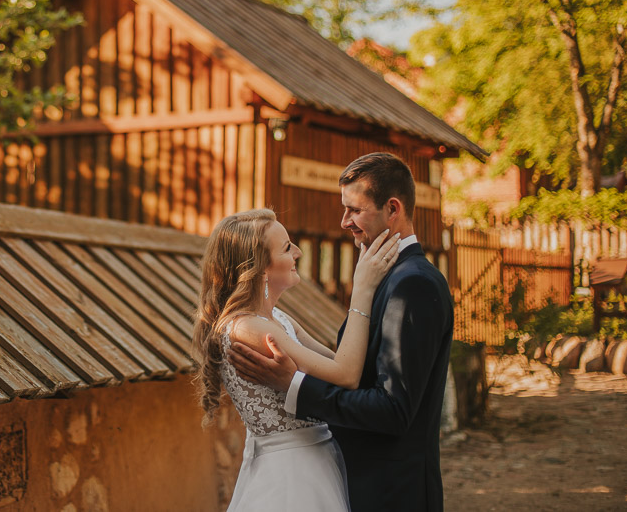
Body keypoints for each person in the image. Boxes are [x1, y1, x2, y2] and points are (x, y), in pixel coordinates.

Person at [228, 153, 454, 512]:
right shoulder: (384, 277)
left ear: (392, 209)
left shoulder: (413, 285)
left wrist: (295, 385)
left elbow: (393, 410)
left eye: (355, 210)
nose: (344, 221)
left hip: (393, 494)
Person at [192, 208, 401, 511]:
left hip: (316, 459)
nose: (298, 253)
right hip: (292, 476)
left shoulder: (276, 317)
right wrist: (362, 290)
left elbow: (339, 362)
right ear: (260, 269)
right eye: (287, 247)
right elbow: (346, 374)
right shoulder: (248, 329)